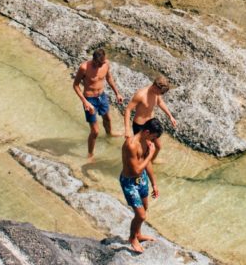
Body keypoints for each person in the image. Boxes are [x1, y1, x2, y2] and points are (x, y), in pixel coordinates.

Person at [120, 118, 164, 253]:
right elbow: (136, 170)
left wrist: (154, 184)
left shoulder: (146, 142)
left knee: (144, 208)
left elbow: (146, 165)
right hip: (130, 182)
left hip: (142, 180)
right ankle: (132, 238)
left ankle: (138, 234)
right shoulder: (131, 145)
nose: (154, 140)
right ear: (146, 131)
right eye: (154, 136)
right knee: (141, 216)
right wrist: (151, 155)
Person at [73, 47, 123, 159]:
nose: (102, 65)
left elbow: (109, 78)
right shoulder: (84, 68)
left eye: (103, 62)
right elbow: (75, 85)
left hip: (102, 96)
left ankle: (109, 134)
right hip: (89, 100)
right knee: (95, 131)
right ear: (94, 60)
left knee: (107, 118)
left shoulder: (106, 64)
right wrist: (84, 101)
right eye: (100, 63)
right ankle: (90, 154)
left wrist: (117, 93)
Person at [124, 75, 178, 164]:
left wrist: (170, 116)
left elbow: (160, 103)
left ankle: (150, 161)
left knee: (158, 146)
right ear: (155, 86)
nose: (160, 94)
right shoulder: (141, 94)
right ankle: (141, 165)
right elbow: (128, 110)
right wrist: (127, 129)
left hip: (151, 124)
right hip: (140, 126)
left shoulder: (156, 94)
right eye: (160, 92)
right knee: (143, 151)